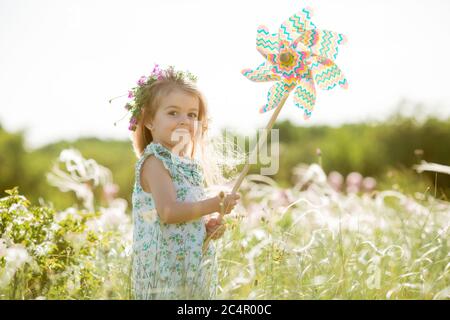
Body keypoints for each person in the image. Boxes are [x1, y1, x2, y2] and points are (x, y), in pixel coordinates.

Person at [126, 64, 240, 299]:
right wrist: (214, 205)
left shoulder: (189, 166)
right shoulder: (155, 162)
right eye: (173, 113)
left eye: (192, 115)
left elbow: (189, 215)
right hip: (163, 276)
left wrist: (207, 227)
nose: (184, 121)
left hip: (191, 270)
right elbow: (168, 212)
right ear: (148, 120)